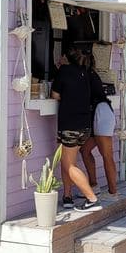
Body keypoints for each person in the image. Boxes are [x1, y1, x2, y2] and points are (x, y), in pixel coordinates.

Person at [51, 46, 106, 211]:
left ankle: (91, 198)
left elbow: (55, 95)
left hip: (70, 125)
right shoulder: (85, 72)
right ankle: (67, 197)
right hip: (84, 125)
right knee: (67, 161)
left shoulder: (64, 71)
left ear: (67, 57)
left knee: (69, 166)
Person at [80, 53, 117, 198]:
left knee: (106, 155)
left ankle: (113, 192)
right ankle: (94, 185)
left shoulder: (86, 75)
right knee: (84, 150)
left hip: (101, 112)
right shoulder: (89, 74)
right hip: (100, 112)